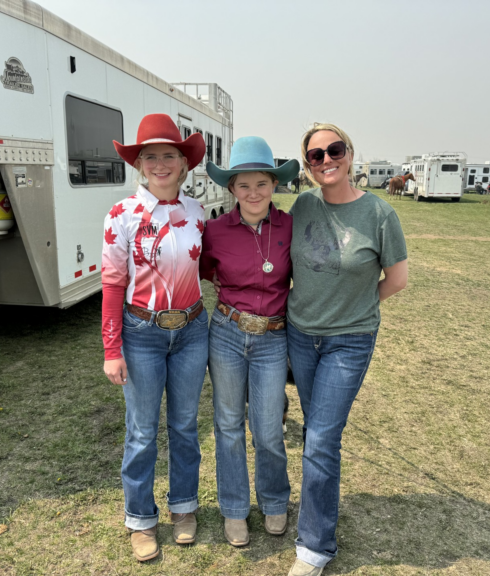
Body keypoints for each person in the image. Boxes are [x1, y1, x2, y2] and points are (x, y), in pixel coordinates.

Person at [285, 123, 408, 576]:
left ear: (350, 154)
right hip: (300, 335)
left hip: (350, 341)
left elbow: (397, 280)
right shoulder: (301, 206)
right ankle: (317, 514)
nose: (326, 160)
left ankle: (314, 548)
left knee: (319, 438)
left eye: (334, 150)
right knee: (320, 436)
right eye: (315, 156)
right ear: (308, 166)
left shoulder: (380, 214)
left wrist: (354, 308)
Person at [101, 114, 209, 562]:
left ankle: (183, 507)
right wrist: (112, 349)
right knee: (142, 431)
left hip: (192, 329)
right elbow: (111, 282)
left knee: (185, 426)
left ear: (184, 164)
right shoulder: (122, 215)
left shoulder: (199, 214)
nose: (161, 164)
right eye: (151, 156)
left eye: (170, 155)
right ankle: (140, 519)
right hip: (142, 333)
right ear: (139, 165)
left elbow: (208, 269)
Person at [200, 137, 299, 547]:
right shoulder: (214, 230)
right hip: (226, 333)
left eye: (261, 183)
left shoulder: (292, 226)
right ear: (231, 189)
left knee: (268, 428)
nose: (253, 192)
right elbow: (206, 271)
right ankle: (234, 510)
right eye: (244, 185)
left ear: (274, 185)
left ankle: (275, 500)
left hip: (273, 339)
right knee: (227, 425)